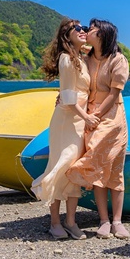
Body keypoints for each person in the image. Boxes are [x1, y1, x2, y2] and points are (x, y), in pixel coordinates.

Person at [31, 18, 99, 240]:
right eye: (76, 29)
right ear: (66, 35)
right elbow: (69, 96)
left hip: (78, 120)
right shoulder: (67, 59)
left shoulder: (80, 57)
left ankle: (70, 221)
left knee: (74, 170)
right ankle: (54, 222)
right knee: (62, 165)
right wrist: (86, 116)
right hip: (68, 119)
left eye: (84, 29)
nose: (82, 31)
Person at [66, 18, 130, 239]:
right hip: (89, 116)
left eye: (91, 29)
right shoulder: (86, 58)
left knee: (114, 169)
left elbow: (114, 93)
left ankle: (117, 221)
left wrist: (95, 115)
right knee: (99, 169)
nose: (86, 31)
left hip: (112, 117)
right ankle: (103, 220)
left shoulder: (118, 59)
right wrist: (64, 96)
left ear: (102, 34)